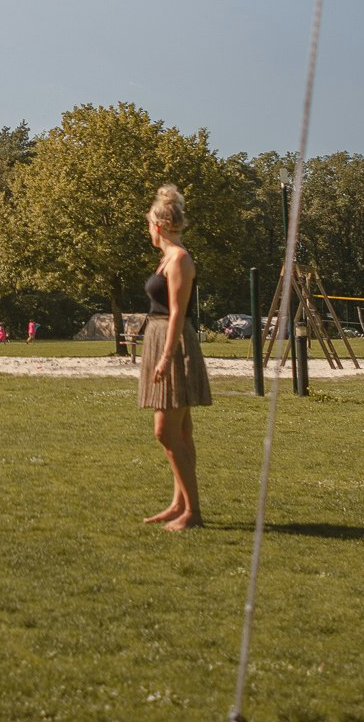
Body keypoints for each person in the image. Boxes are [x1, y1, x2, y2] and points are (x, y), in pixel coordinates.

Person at [142, 183, 210, 531]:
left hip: (174, 345)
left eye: (149, 224)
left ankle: (193, 513)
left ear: (160, 225)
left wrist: (166, 357)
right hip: (162, 341)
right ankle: (178, 504)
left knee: (166, 432)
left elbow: (177, 312)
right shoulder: (167, 257)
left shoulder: (180, 259)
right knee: (181, 432)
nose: (148, 230)